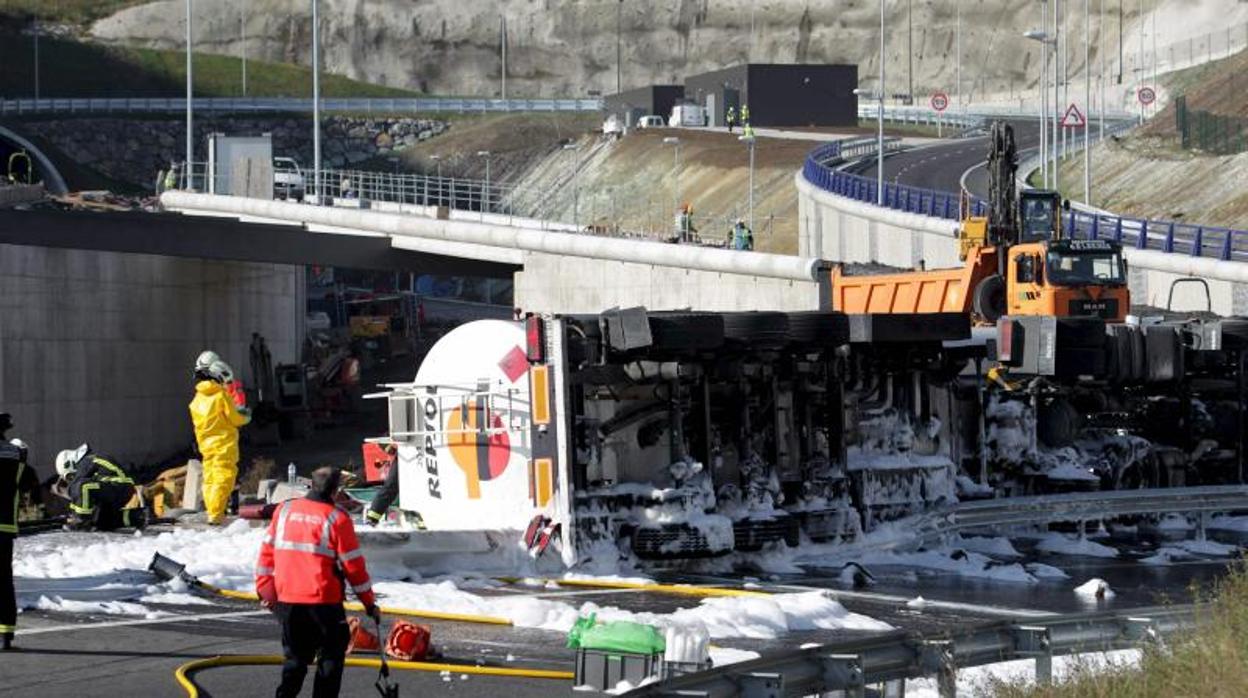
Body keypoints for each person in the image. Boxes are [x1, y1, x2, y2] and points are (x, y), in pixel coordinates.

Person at [256, 466, 379, 698]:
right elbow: (354, 568)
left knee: (294, 662)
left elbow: (266, 555)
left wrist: (265, 591)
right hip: (324, 604)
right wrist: (369, 604)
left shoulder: (284, 510)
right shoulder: (337, 518)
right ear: (336, 491)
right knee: (330, 660)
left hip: (288, 603)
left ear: (311, 485)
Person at [190, 360, 251, 525]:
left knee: (210, 479)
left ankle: (213, 511)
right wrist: (246, 415)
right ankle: (216, 515)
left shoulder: (197, 399)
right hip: (223, 444)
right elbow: (235, 418)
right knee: (224, 477)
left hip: (206, 446)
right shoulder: (220, 395)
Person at [1, 436, 40, 650]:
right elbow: (29, 486)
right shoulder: (15, 457)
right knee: (4, 582)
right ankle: (5, 636)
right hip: (5, 528)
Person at [56, 445, 146, 531]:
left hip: (118, 485)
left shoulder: (87, 460)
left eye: (70, 476)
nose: (71, 479)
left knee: (82, 486)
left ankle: (81, 521)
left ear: (70, 463)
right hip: (121, 489)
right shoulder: (91, 462)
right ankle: (138, 516)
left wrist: (75, 516)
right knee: (102, 520)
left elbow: (77, 484)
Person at [364, 444, 399, 526]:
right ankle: (372, 518)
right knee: (391, 486)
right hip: (405, 455)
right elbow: (387, 437)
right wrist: (387, 447)